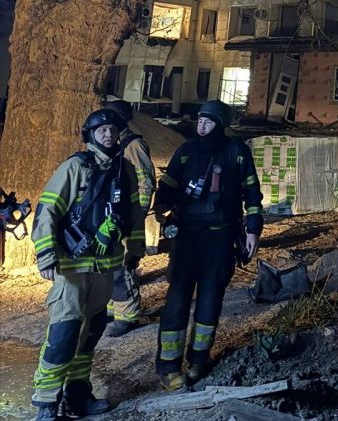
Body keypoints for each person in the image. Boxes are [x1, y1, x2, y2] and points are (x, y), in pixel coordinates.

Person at [30, 108, 144, 420]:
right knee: (64, 335)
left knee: (89, 336)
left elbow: (133, 213)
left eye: (112, 129)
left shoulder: (125, 170)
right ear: (90, 134)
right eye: (101, 129)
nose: (108, 134)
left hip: (105, 268)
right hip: (73, 267)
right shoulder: (75, 167)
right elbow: (47, 210)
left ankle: (77, 397)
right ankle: (45, 404)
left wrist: (136, 248)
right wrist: (46, 254)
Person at [154, 100, 263, 390]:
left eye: (208, 121)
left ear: (220, 124)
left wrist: (253, 231)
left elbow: (252, 193)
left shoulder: (237, 152)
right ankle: (168, 365)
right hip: (188, 238)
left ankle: (199, 359)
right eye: (200, 120)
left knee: (210, 300)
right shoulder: (187, 151)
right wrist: (162, 208)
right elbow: (167, 187)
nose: (201, 125)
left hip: (221, 237)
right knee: (177, 299)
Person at [104, 99, 156, 337]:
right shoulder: (112, 144)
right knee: (107, 264)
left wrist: (139, 214)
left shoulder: (132, 145)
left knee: (122, 266)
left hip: (128, 216)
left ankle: (127, 316)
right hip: (112, 215)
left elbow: (146, 181)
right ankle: (111, 308)